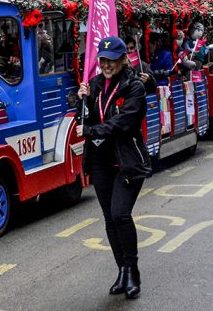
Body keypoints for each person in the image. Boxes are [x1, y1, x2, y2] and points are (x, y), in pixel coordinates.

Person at [76, 36, 151, 300]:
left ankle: (133, 271)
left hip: (127, 160)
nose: (107, 65)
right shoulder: (94, 85)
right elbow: (82, 120)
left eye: (112, 60)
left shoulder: (134, 87)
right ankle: (121, 270)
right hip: (100, 162)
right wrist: (81, 100)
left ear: (123, 60)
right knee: (109, 218)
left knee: (120, 214)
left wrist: (92, 129)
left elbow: (125, 122)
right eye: (103, 60)